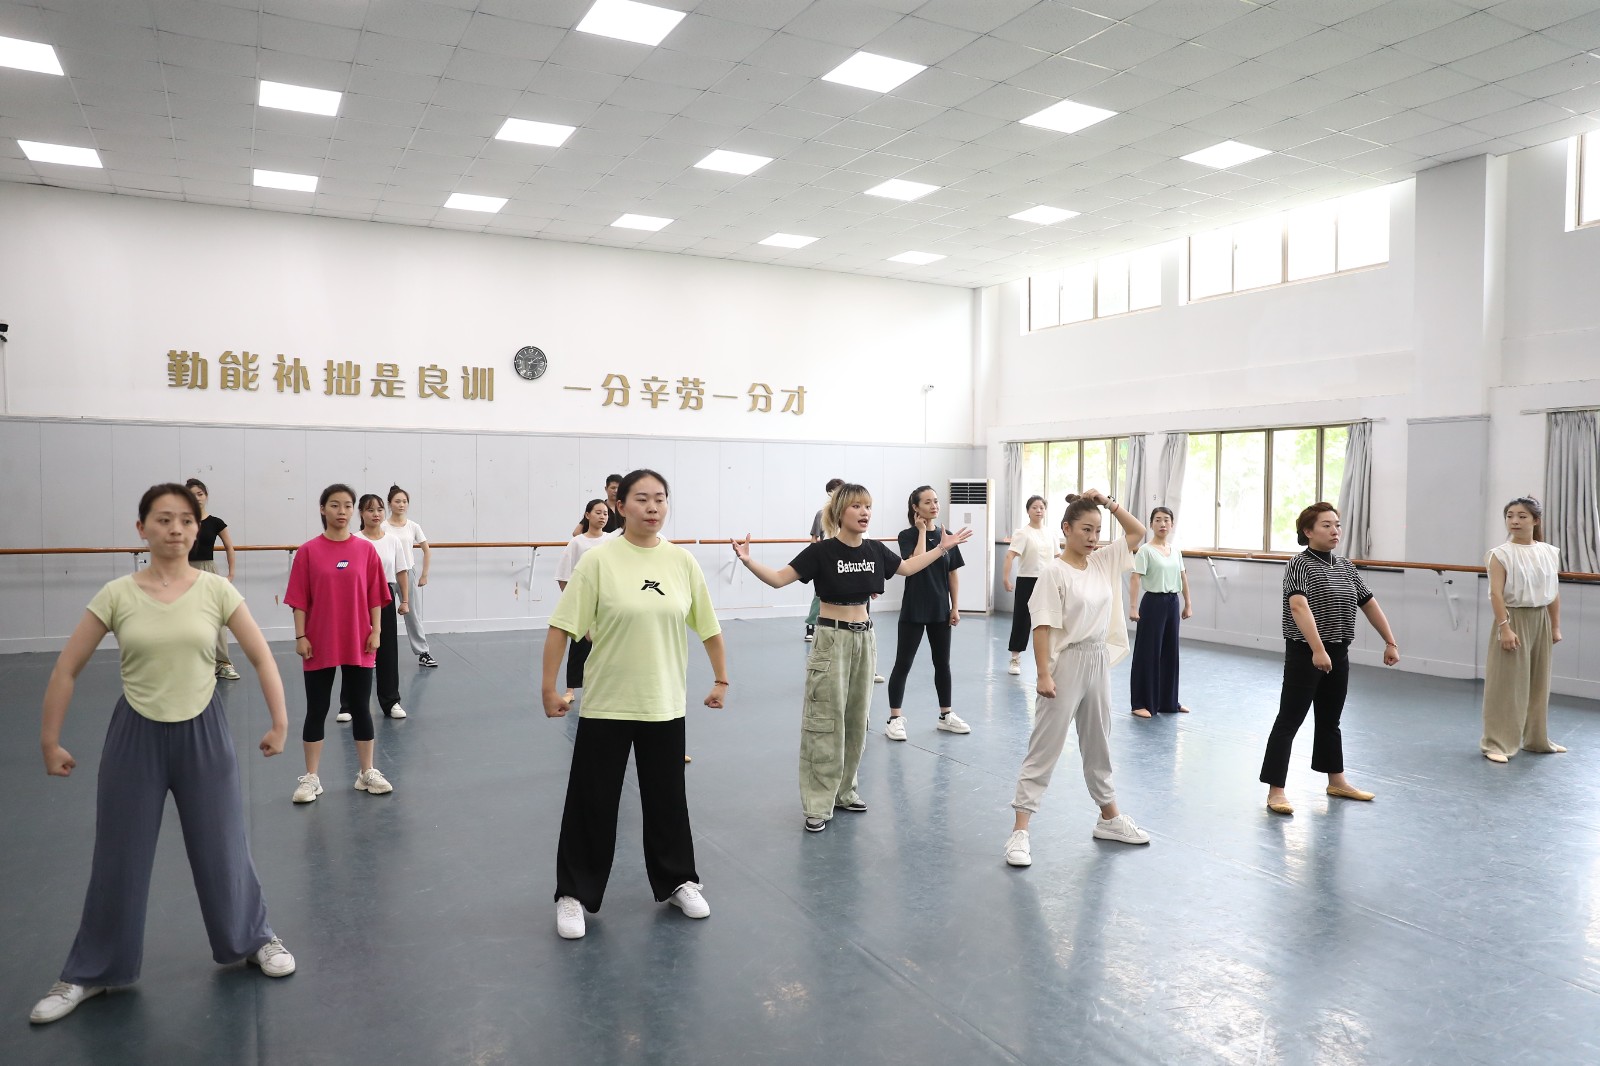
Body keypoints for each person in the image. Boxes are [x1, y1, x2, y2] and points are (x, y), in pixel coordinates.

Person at [31, 483, 295, 1025]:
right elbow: (66, 668)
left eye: (185, 520)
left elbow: (262, 658)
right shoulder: (116, 594)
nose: (175, 528)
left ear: (198, 529)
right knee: (119, 853)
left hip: (204, 733)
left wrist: (280, 721)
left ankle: (253, 938)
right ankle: (91, 970)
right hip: (135, 736)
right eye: (163, 519)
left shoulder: (217, 590)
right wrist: (49, 741)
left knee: (223, 844)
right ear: (142, 528)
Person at [541, 469, 727, 940]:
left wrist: (721, 678)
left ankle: (678, 880)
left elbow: (708, 626)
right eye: (641, 498)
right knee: (592, 801)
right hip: (607, 703)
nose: (652, 507)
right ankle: (573, 893)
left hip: (664, 703)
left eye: (660, 498)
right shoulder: (598, 562)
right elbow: (562, 626)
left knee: (668, 799)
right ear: (620, 506)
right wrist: (549, 687)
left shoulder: (682, 562)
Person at [732, 484, 972, 832]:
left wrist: (942, 548)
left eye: (868, 506)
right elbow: (779, 579)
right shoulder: (822, 552)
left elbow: (907, 568)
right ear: (840, 512)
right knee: (825, 720)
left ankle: (845, 791)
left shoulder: (875, 550)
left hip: (865, 638)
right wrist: (748, 560)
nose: (864, 512)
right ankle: (818, 802)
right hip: (832, 639)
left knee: (857, 720)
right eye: (857, 506)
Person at [1005, 491, 1150, 869]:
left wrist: (1108, 502)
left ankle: (1109, 818)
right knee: (1045, 746)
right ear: (1066, 529)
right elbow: (1041, 626)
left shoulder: (1102, 561)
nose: (1093, 537)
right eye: (1086, 529)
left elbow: (1138, 532)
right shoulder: (1053, 572)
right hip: (1065, 662)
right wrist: (1043, 673)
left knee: (1099, 741)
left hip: (1097, 658)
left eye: (1097, 530)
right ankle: (1020, 830)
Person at [1260, 503, 1400, 815]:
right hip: (1305, 652)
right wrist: (1317, 650)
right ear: (1308, 531)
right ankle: (1276, 790)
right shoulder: (1299, 564)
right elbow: (1298, 607)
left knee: (1330, 720)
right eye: (1326, 525)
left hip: (1338, 650)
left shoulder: (1346, 566)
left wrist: (1390, 641)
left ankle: (1337, 781)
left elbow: (1369, 603)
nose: (1335, 530)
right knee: (1289, 720)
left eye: (1337, 524)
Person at [284, 484, 394, 803]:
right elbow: (299, 600)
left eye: (347, 505)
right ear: (323, 509)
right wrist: (301, 636)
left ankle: (366, 772)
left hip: (359, 639)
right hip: (318, 641)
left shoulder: (365, 551)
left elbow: (375, 596)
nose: (341, 511)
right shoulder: (308, 552)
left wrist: (376, 631)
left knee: (360, 706)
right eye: (334, 505)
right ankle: (311, 778)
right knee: (317, 708)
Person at [1481, 496, 1566, 763]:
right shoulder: (1500, 554)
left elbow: (1552, 592)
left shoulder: (1549, 552)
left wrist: (1555, 626)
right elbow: (1496, 594)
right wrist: (1505, 627)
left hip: (1540, 619)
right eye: (1510, 516)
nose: (1514, 521)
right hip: (1513, 618)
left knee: (1539, 682)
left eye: (1521, 516)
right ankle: (1496, 743)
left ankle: (1536, 739)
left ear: (1536, 520)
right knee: (1506, 683)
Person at [885, 485, 968, 738]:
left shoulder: (947, 535)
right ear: (916, 507)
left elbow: (952, 574)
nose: (934, 506)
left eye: (936, 501)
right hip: (914, 607)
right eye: (928, 502)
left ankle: (946, 715)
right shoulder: (907, 535)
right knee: (903, 663)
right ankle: (894, 718)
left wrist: (955, 606)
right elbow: (914, 563)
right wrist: (921, 531)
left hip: (939, 609)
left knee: (942, 663)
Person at [347, 494, 411, 721]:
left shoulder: (392, 541)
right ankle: (348, 704)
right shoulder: (353, 540)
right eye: (370, 510)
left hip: (385, 596)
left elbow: (401, 571)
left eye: (380, 509)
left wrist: (404, 600)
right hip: (358, 598)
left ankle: (391, 701)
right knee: (354, 649)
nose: (376, 514)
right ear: (361, 513)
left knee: (387, 649)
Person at [1128, 506, 1193, 718]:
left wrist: (1188, 603)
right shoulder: (1145, 551)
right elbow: (1135, 578)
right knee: (1148, 652)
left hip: (1172, 602)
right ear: (1151, 524)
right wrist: (1133, 606)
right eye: (1157, 520)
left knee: (1170, 653)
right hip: (1152, 603)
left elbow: (1183, 577)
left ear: (1172, 524)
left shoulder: (1175, 551)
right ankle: (1140, 702)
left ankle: (1169, 701)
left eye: (1166, 520)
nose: (1162, 523)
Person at [555, 498, 614, 704]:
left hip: (607, 600)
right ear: (587, 515)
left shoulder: (612, 541)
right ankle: (570, 689)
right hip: (584, 600)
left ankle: (604, 687)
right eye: (598, 512)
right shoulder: (577, 542)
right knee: (579, 646)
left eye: (605, 513)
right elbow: (563, 575)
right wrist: (574, 602)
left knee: (607, 646)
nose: (602, 517)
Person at [183, 478, 241, 681]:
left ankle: (222, 663)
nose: (197, 498)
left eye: (200, 494)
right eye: (192, 495)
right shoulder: (181, 521)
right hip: (184, 570)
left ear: (206, 496)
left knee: (216, 617)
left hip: (209, 570)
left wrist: (231, 573)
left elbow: (229, 547)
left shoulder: (216, 522)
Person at [385, 485, 439, 669]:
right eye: (397, 501)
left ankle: (423, 652)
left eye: (404, 501)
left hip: (407, 573)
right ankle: (376, 653)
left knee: (413, 614)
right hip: (386, 575)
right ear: (390, 504)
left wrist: (424, 575)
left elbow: (427, 550)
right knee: (383, 615)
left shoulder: (413, 526)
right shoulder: (382, 527)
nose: (401, 505)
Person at [1003, 495, 1056, 676]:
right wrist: (1006, 579)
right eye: (1034, 507)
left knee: (1049, 619)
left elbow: (1058, 558)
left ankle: (1050, 660)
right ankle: (1015, 658)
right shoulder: (1022, 533)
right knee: (1022, 619)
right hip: (1027, 580)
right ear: (1028, 511)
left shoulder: (1050, 533)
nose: (1038, 510)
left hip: (1047, 580)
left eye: (1041, 507)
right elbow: (1010, 555)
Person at [804, 477, 846, 642]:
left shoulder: (847, 513)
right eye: (833, 492)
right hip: (826, 558)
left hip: (845, 559)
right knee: (819, 594)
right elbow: (814, 539)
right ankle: (811, 625)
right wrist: (813, 561)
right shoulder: (821, 514)